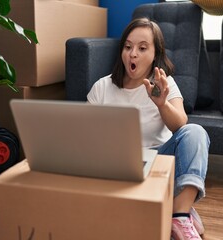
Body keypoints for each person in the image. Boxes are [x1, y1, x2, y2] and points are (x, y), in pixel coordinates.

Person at [87, 18, 210, 240]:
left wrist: (161, 104)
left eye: (142, 48)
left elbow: (180, 125)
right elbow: (86, 135)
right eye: (128, 47)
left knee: (196, 132)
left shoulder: (165, 83)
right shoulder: (101, 87)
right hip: (117, 169)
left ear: (156, 54)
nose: (132, 54)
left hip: (158, 166)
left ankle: (180, 216)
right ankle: (178, 206)